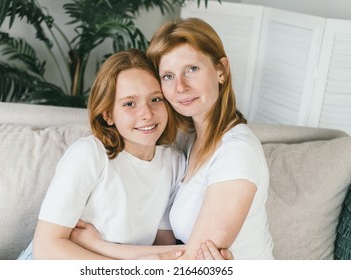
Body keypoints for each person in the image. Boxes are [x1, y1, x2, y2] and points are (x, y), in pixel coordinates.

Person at [74, 17, 273, 260]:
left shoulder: (236, 152)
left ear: (221, 70)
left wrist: (98, 245)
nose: (180, 87)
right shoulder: (188, 140)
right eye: (168, 76)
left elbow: (193, 261)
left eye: (192, 69)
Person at [17, 48, 226, 260]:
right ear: (108, 114)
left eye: (155, 99)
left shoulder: (174, 162)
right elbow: (46, 248)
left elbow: (163, 246)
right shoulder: (89, 154)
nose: (146, 114)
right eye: (129, 104)